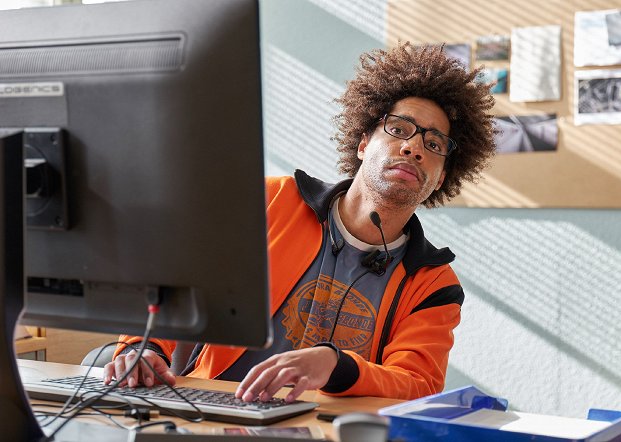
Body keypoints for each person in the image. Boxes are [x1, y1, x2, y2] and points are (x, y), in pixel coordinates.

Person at [105, 42, 496, 403]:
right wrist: (144, 347)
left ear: (441, 177)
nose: (412, 148)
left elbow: (417, 384)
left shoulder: (433, 283)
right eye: (398, 129)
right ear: (363, 144)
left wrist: (337, 365)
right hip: (213, 409)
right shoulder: (268, 201)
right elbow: (177, 278)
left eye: (434, 145)